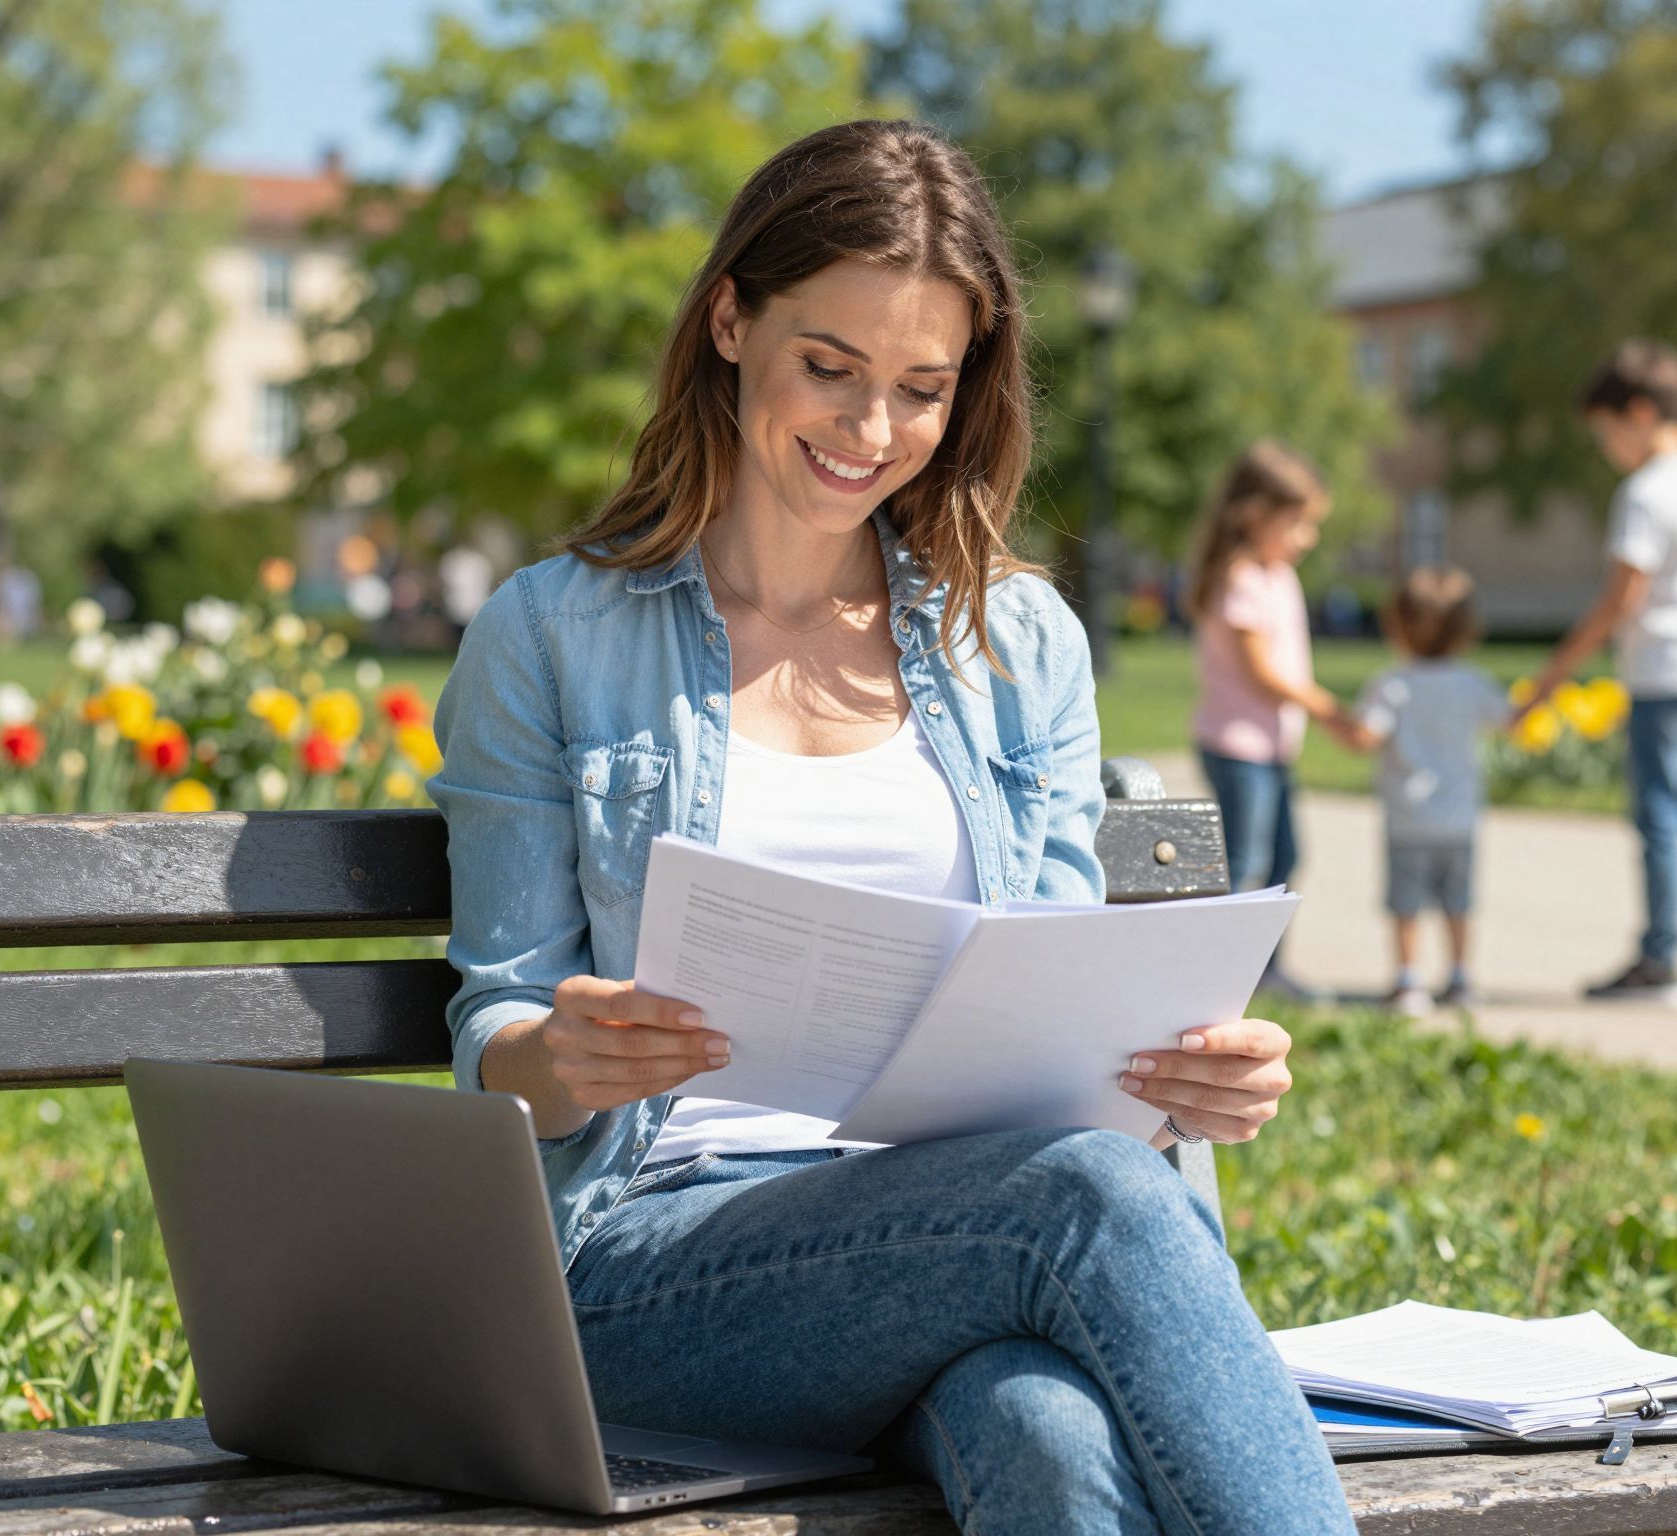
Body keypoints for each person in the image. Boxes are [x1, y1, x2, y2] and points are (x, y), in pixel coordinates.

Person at [427, 120, 1356, 1536]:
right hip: (652, 1267)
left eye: (921, 388)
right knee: (1089, 1203)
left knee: (1045, 1436)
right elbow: (495, 1041)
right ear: (732, 320)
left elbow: (1055, 1021)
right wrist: (563, 1050)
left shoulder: (1018, 640)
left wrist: (1180, 1084)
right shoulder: (551, 636)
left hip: (961, 1240)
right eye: (830, 369)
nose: (871, 434)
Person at [1520, 339, 1677, 1007]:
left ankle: (1660, 961)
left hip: (1667, 675)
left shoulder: (1646, 493)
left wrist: (1553, 677)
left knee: (1661, 816)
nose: (1609, 449)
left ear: (1639, 413)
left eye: (1608, 434)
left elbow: (1620, 600)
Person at [1185, 440, 1340, 999]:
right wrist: (1327, 709)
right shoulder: (1241, 578)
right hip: (1237, 747)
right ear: (1254, 514)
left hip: (1270, 750)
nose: (1307, 538)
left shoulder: (1276, 575)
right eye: (1297, 523)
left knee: (1283, 858)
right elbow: (1260, 673)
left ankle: (1263, 970)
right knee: (1243, 862)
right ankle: (1219, 975)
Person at [1324, 567, 1507, 1016]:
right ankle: (1460, 976)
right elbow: (1509, 719)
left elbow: (1365, 738)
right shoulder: (1472, 681)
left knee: (1406, 903)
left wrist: (1327, 712)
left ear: (1397, 625)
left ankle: (1408, 981)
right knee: (1458, 902)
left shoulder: (1393, 684)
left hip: (1408, 817)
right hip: (1459, 818)